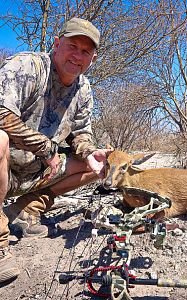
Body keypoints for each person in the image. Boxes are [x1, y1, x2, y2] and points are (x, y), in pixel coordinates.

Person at [0, 18, 111, 283]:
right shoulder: (27, 66)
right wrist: (47, 149)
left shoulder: (83, 89)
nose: (78, 56)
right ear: (57, 44)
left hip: (37, 173)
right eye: (73, 46)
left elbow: (81, 133)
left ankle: (26, 209)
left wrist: (88, 152)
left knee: (98, 166)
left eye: (86, 51)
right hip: (7, 168)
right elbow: (1, 113)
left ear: (93, 59)